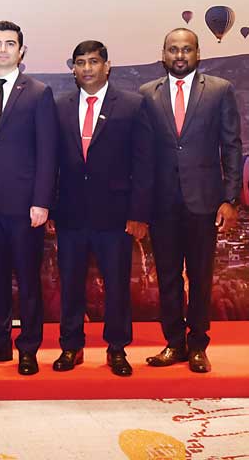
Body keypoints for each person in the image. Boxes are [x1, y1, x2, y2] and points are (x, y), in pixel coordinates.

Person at [139, 28, 242, 373]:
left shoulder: (220, 90)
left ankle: (198, 345)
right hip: (162, 204)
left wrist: (230, 198)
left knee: (200, 277)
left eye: (186, 49)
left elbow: (231, 146)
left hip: (204, 201)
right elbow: (142, 154)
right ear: (163, 54)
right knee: (167, 277)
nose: (180, 55)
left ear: (198, 54)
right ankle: (174, 343)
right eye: (173, 49)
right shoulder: (147, 94)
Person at [52, 40, 153, 377]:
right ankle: (71, 346)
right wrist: (50, 207)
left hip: (116, 214)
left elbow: (143, 164)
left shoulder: (133, 105)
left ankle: (117, 349)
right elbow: (51, 162)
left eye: (94, 61)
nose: (87, 68)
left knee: (117, 285)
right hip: (70, 213)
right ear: (73, 69)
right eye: (80, 62)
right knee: (70, 283)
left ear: (107, 66)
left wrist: (138, 214)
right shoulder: (60, 106)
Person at [0, 20, 57, 376]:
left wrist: (42, 201)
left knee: (28, 280)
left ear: (21, 50)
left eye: (10, 43)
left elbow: (48, 153)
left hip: (26, 205)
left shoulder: (39, 92)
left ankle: (28, 348)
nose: (3, 49)